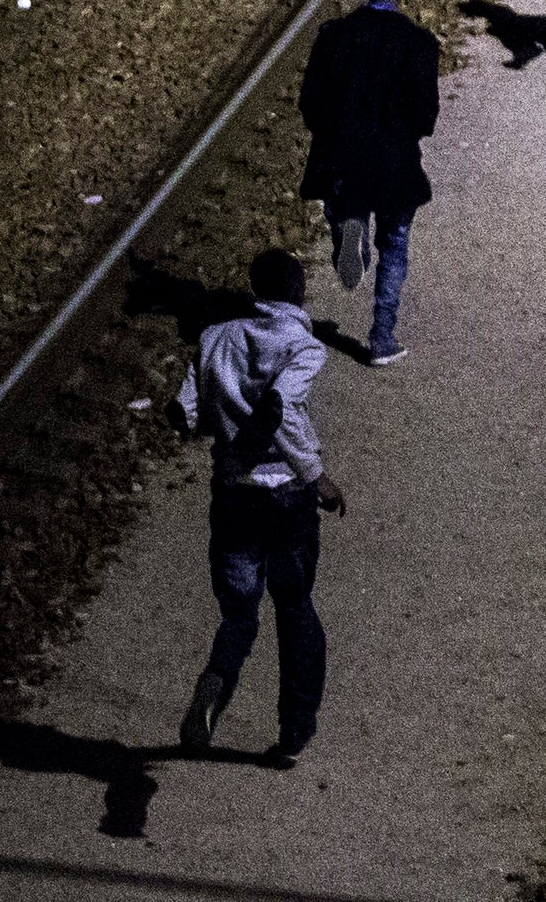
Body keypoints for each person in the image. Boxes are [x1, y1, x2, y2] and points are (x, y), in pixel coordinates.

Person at [174, 248, 345, 764]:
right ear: (297, 292)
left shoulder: (215, 337)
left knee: (239, 615)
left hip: (232, 495)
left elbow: (185, 412)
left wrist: (223, 425)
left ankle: (215, 684)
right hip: (286, 495)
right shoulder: (304, 346)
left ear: (254, 288)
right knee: (294, 608)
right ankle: (294, 728)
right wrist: (318, 478)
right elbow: (283, 407)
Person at [298, 0, 440, 365]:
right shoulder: (419, 44)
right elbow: (426, 117)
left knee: (347, 205)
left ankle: (347, 229)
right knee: (394, 244)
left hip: (345, 161)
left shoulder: (335, 36)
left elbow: (311, 105)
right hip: (395, 165)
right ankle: (382, 338)